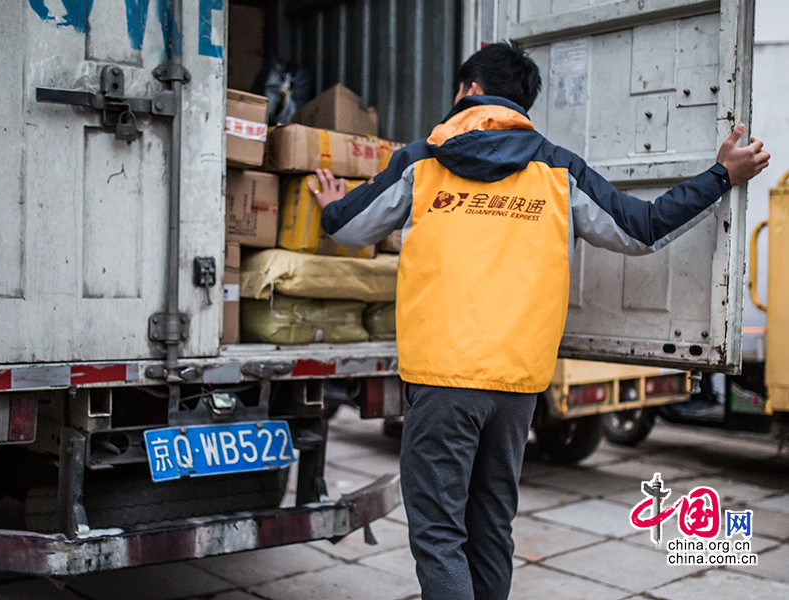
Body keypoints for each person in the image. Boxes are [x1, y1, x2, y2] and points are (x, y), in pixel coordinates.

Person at [308, 41, 770, 600]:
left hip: (441, 379)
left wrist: (333, 202)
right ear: (522, 104)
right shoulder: (558, 170)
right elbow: (643, 228)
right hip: (518, 387)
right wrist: (721, 174)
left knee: (438, 535)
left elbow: (349, 228)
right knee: (490, 530)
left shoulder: (421, 161)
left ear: (470, 92)